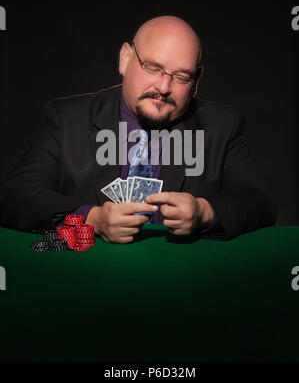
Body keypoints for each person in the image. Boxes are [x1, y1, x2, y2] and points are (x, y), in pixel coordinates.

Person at [0, 16, 276, 243]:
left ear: (196, 80)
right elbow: (15, 197)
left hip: (179, 284)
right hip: (84, 279)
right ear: (125, 59)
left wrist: (204, 212)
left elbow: (260, 203)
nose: (164, 88)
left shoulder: (220, 126)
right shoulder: (67, 118)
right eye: (153, 68)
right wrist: (91, 220)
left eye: (181, 77)